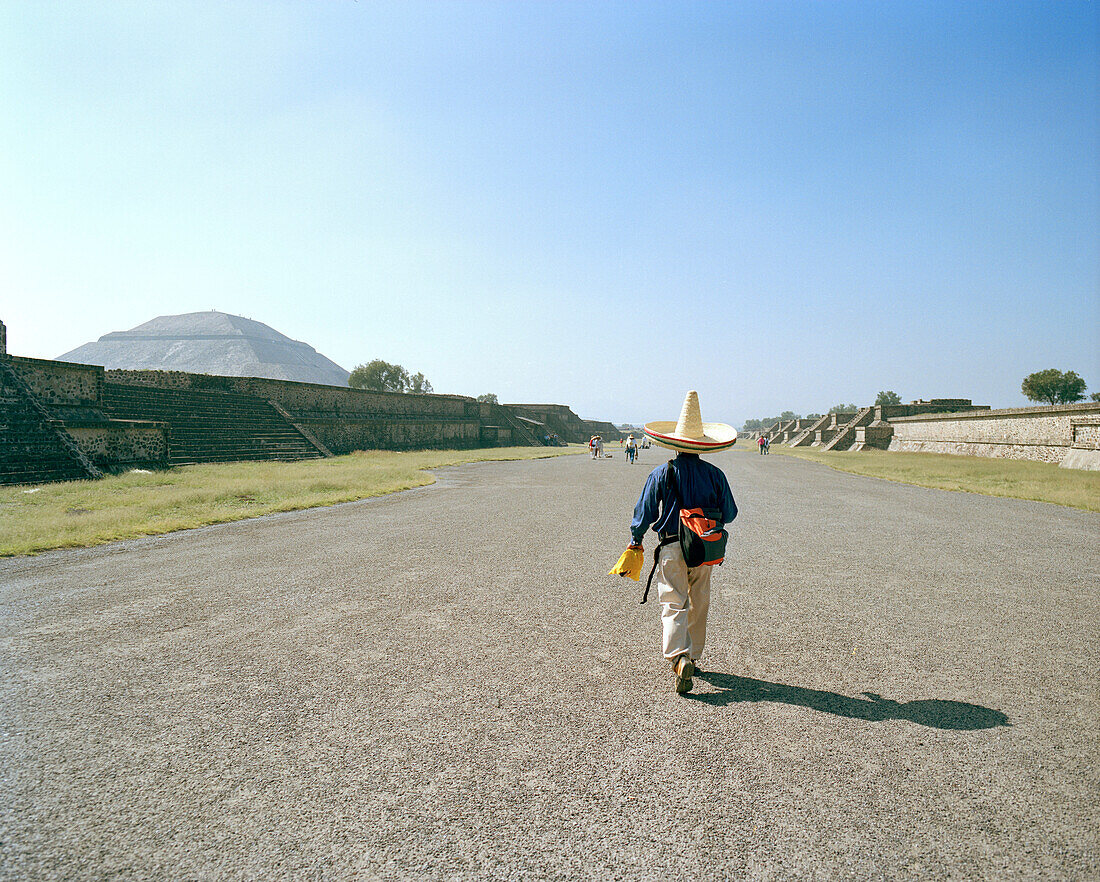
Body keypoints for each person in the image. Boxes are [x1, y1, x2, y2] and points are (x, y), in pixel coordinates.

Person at [628, 391, 737, 694]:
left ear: (674, 444)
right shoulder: (716, 475)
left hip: (672, 545)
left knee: (674, 602)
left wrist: (636, 539)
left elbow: (646, 512)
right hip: (704, 547)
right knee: (699, 601)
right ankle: (694, 654)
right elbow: (731, 512)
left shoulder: (662, 472)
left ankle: (679, 657)